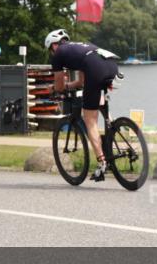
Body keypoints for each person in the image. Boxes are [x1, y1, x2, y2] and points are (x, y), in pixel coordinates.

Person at [46, 29, 120, 181]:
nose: (52, 53)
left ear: (53, 46)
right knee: (97, 103)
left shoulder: (59, 54)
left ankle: (102, 163)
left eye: (50, 50)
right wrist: (68, 86)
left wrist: (54, 89)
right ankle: (112, 126)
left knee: (89, 120)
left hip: (95, 68)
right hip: (111, 65)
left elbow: (59, 86)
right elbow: (81, 82)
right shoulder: (79, 47)